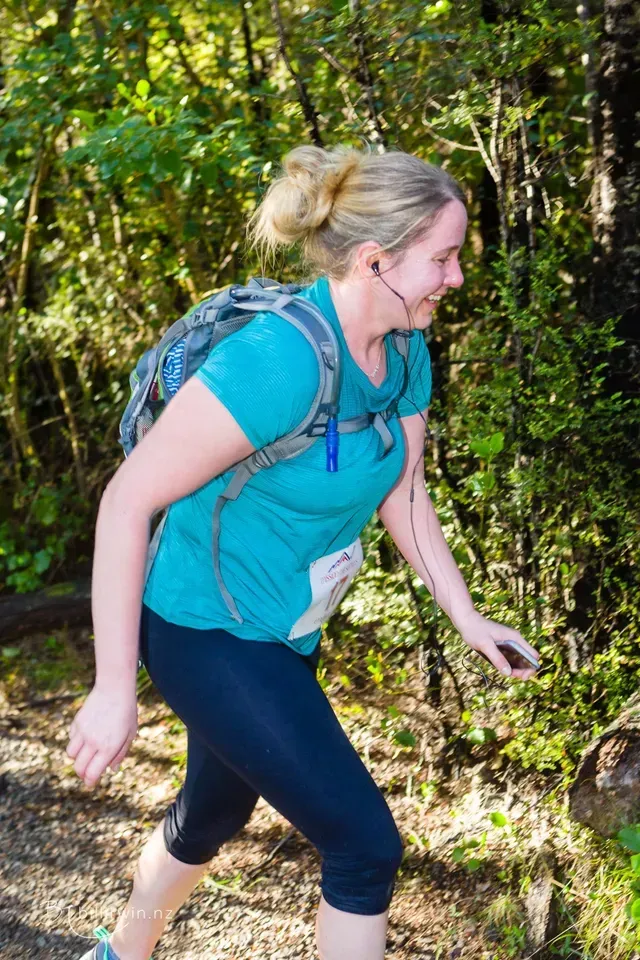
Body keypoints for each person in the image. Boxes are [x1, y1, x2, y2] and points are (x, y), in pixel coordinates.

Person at [66, 144, 539, 960]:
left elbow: (407, 494)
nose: (456, 278)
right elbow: (127, 499)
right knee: (364, 846)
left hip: (284, 628)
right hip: (204, 628)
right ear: (375, 259)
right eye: (444, 257)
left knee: (214, 811)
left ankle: (119, 952)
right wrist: (115, 688)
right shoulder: (276, 362)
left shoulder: (403, 349)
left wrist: (467, 615)